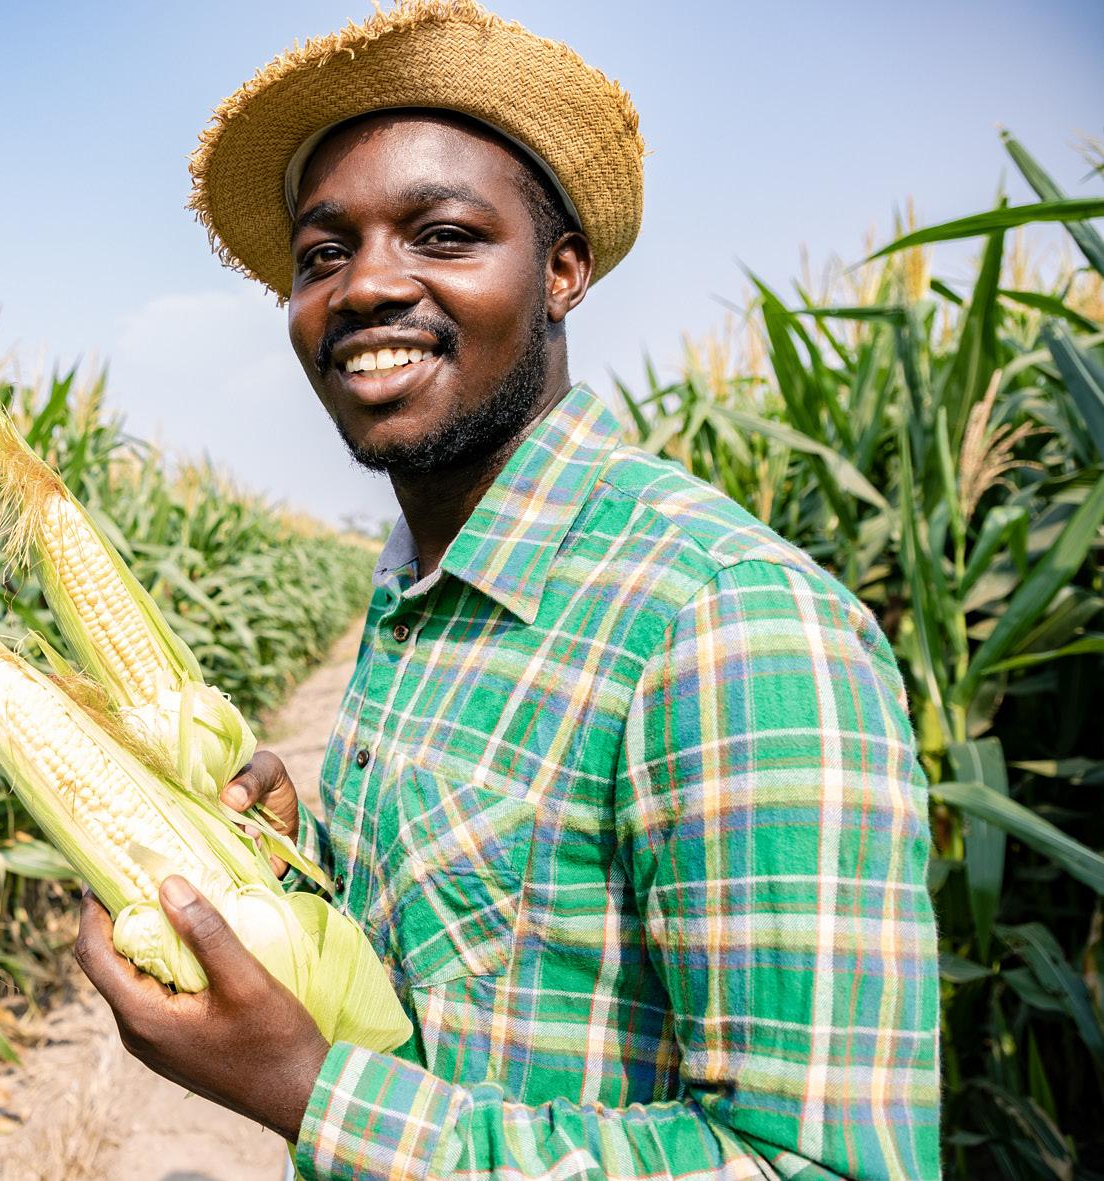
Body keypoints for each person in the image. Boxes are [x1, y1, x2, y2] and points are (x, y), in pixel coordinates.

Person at [72, 3, 942, 1177]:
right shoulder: (415, 580)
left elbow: (818, 1162)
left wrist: (308, 1092)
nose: (364, 286)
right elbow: (458, 969)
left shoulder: (725, 623)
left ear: (560, 272)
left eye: (441, 236)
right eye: (322, 255)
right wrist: (297, 858)